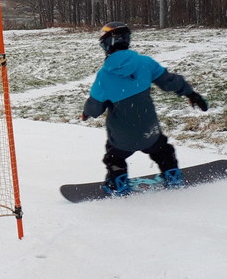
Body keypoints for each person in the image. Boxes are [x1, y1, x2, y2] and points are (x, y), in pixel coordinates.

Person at [82, 22, 209, 194]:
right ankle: (172, 174)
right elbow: (170, 81)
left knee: (114, 156)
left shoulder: (104, 76)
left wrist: (87, 113)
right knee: (163, 150)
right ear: (127, 40)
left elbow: (95, 107)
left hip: (122, 138)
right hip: (150, 131)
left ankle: (118, 182)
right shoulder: (144, 63)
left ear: (106, 44)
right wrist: (191, 94)